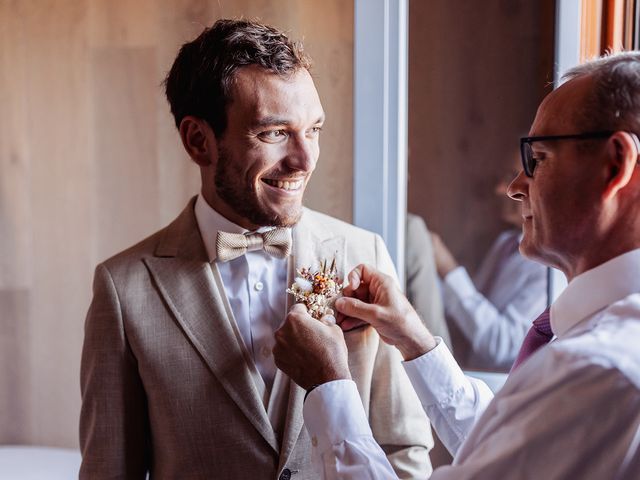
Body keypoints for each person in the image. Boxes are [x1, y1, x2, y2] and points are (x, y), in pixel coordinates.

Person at [79, 19, 433, 479]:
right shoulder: (124, 289)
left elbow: (402, 448)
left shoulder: (363, 253)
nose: (305, 160)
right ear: (198, 141)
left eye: (314, 130)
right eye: (274, 133)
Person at [273, 52, 640, 479]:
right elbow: (516, 452)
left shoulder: (600, 372)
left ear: (615, 164)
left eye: (537, 159)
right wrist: (416, 343)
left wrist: (330, 388)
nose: (516, 187)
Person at [430, 159, 547, 371]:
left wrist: (448, 268)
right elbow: (463, 307)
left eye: (512, 176)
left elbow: (501, 347)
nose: (500, 189)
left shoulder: (547, 267)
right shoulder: (505, 244)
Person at [405, 213, 452, 348]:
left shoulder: (411, 229)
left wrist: (450, 269)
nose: (500, 190)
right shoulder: (502, 243)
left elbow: (498, 346)